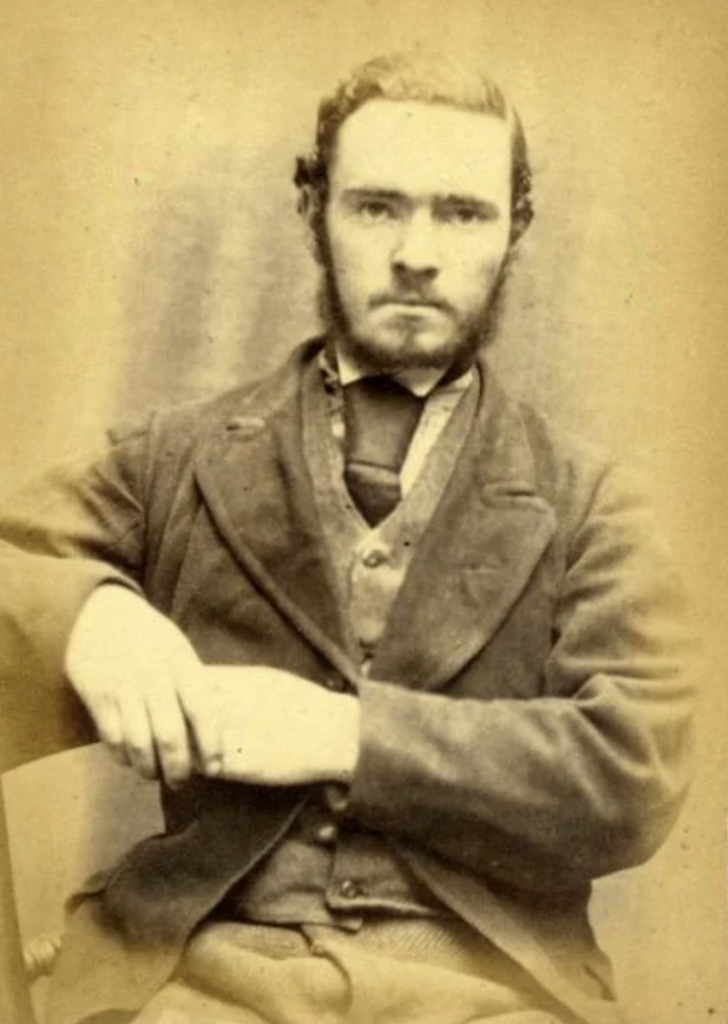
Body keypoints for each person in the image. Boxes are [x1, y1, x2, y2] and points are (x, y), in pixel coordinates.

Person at [0, 52, 695, 1024]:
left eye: (460, 212)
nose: (417, 251)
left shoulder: (591, 501)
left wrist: (341, 734)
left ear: (515, 229)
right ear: (313, 212)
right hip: (206, 970)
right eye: (377, 207)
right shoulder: (179, 455)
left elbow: (632, 767)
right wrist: (85, 615)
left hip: (486, 982)